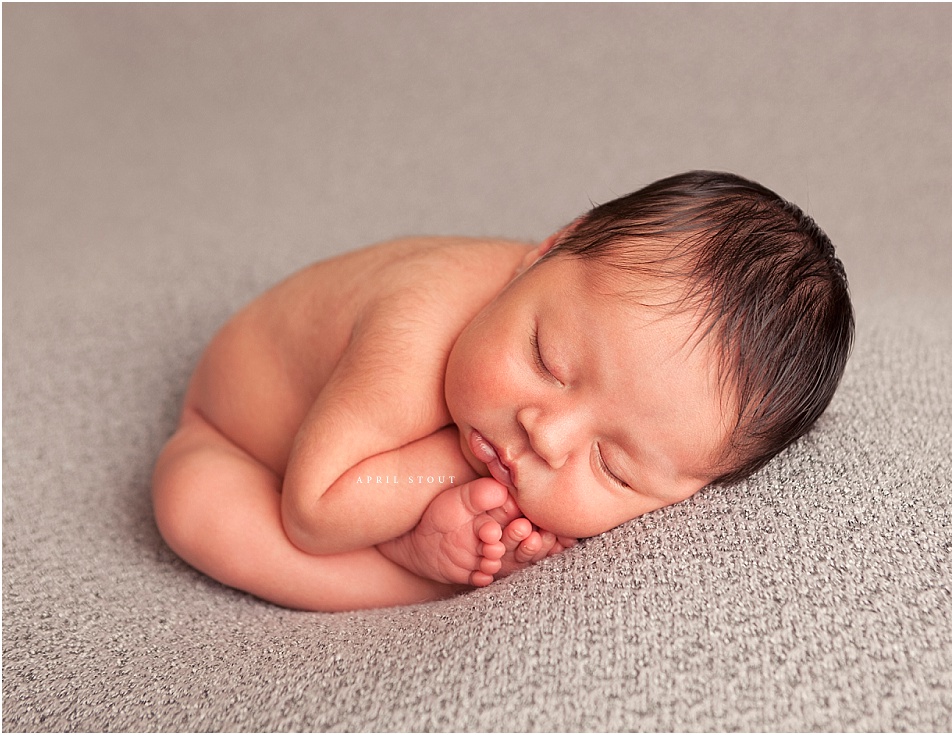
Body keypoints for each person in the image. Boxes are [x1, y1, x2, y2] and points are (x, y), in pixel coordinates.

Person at [152, 171, 854, 612]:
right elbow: (314, 507)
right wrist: (450, 481)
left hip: (363, 462)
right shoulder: (419, 326)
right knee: (190, 504)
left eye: (613, 465)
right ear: (549, 248)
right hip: (238, 440)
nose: (547, 435)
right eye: (548, 360)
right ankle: (415, 578)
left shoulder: (556, 349)